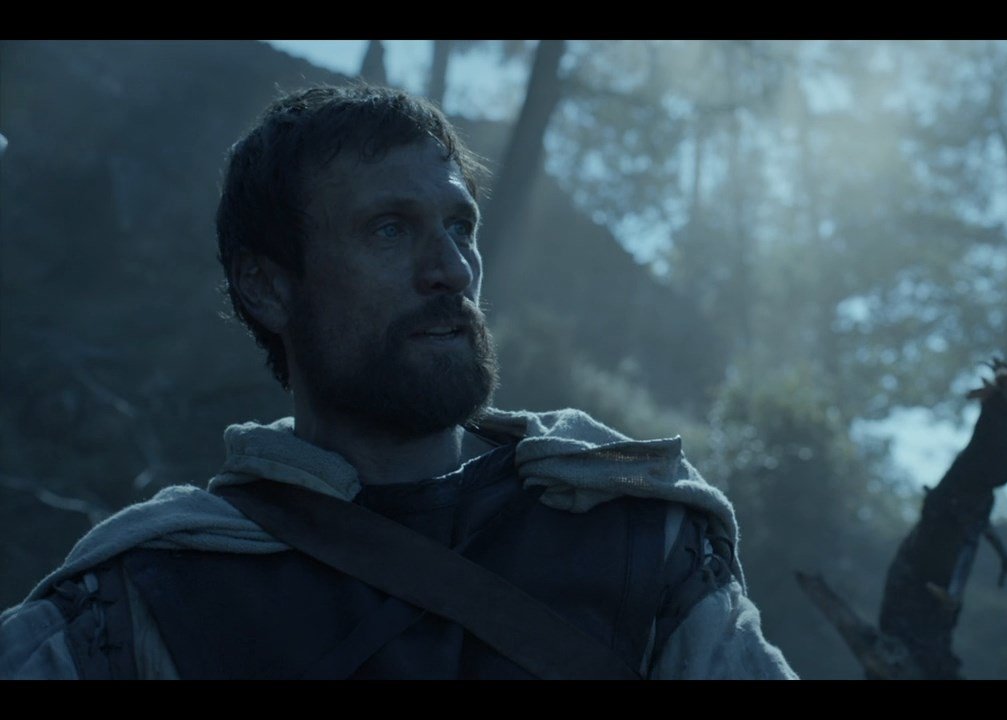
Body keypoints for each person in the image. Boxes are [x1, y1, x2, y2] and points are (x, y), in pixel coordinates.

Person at [0, 84, 796, 680]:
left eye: (459, 226)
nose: (451, 269)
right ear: (267, 287)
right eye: (389, 230)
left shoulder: (633, 537)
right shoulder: (148, 598)